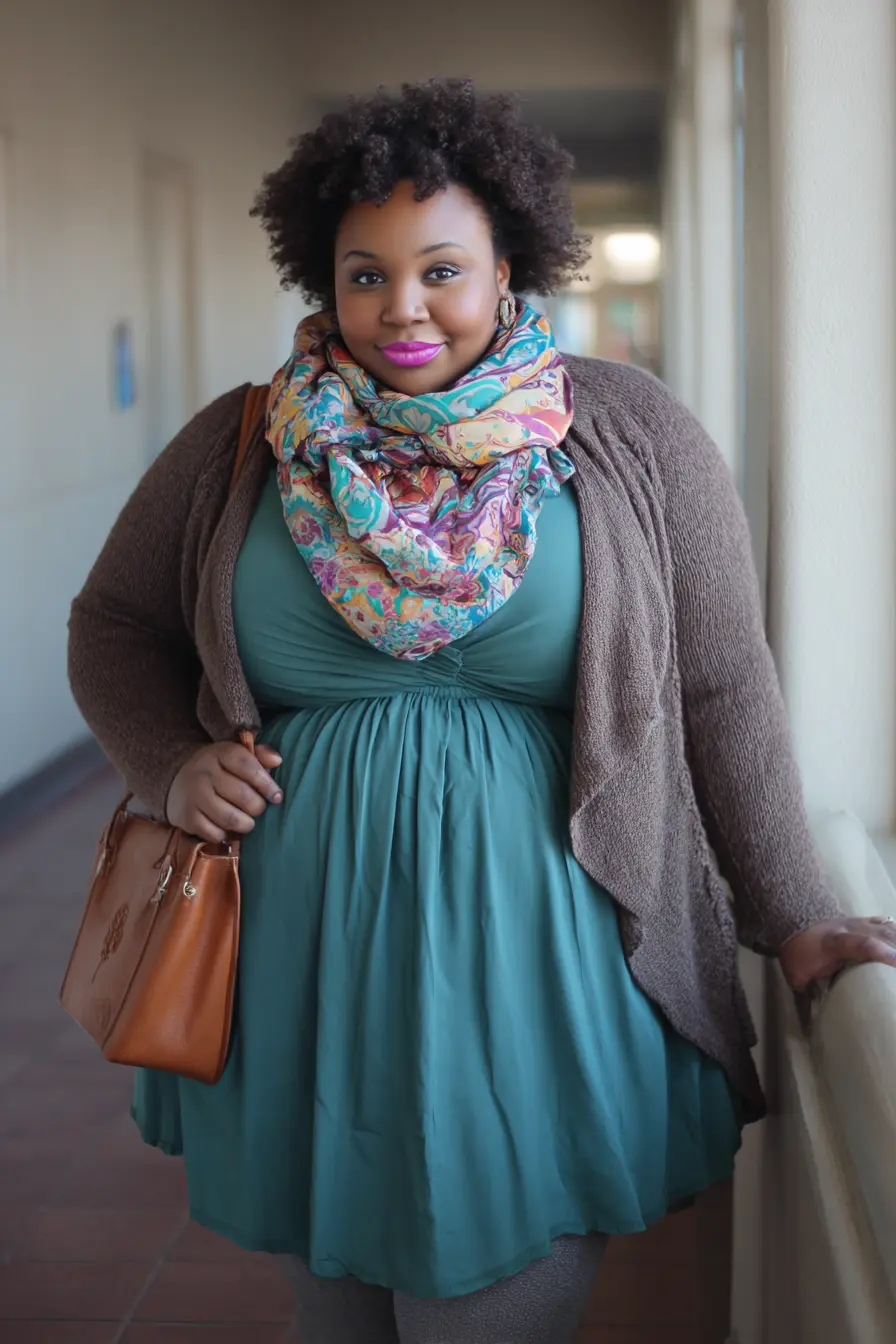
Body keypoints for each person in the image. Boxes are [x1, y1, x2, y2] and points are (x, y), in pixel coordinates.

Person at [67, 79, 896, 1344]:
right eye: (364, 274)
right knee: (334, 1309)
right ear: (323, 277)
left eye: (439, 269)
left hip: (546, 963)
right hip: (299, 958)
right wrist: (171, 762)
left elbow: (723, 689)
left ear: (509, 261)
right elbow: (111, 626)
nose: (401, 308)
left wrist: (791, 915)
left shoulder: (627, 435)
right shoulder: (247, 444)